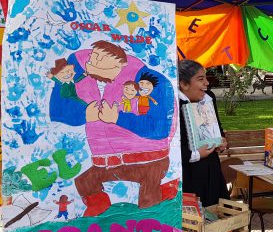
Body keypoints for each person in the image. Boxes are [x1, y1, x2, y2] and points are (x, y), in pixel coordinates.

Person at [49, 40, 178, 216]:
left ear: (120, 64)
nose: (90, 64)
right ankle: (100, 209)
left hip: (148, 159)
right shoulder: (75, 69)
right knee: (85, 182)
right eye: (91, 59)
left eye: (99, 61)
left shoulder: (152, 81)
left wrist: (118, 118)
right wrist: (85, 113)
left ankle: (160, 198)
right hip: (105, 161)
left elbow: (160, 128)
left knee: (149, 201)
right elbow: (57, 110)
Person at [178, 59, 229, 207]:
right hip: (189, 174)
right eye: (201, 79)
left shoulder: (209, 98)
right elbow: (171, 145)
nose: (206, 83)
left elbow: (216, 126)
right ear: (184, 84)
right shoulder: (174, 105)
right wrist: (196, 154)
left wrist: (221, 140)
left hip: (212, 169)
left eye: (205, 78)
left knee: (217, 213)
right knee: (195, 219)